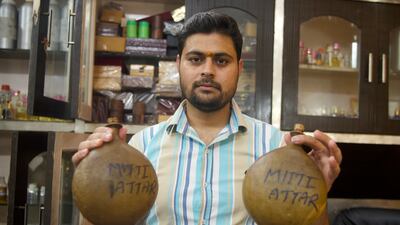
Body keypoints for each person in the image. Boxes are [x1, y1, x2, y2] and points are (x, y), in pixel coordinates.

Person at [73, 11, 342, 225]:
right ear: (179, 64)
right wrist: (89, 179)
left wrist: (316, 196)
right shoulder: (141, 147)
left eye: (222, 61)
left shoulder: (276, 146)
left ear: (239, 68)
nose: (208, 71)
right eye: (195, 59)